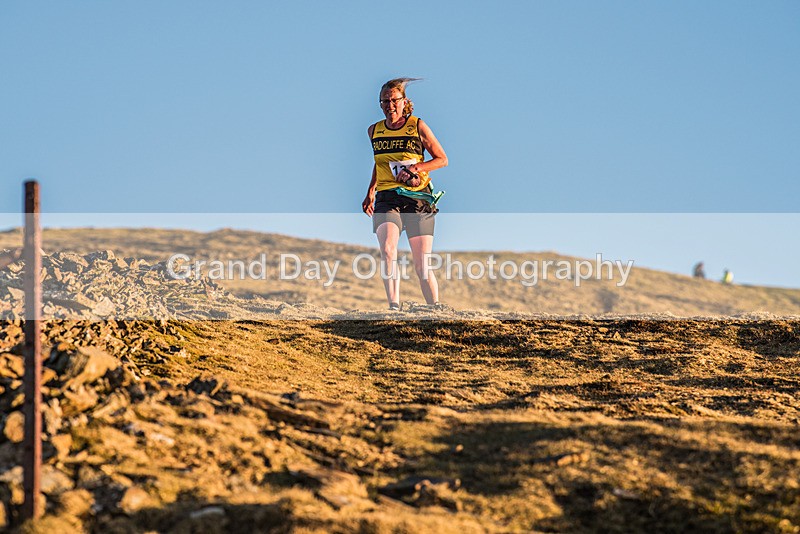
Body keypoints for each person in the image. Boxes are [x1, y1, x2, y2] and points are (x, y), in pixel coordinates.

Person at [362, 78, 448, 310]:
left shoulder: (417, 125)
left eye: (394, 100)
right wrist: (371, 191)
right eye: (385, 101)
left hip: (418, 198)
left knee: (421, 264)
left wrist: (415, 168)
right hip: (387, 197)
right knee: (388, 250)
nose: (390, 105)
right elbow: (380, 163)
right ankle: (394, 306)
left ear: (404, 102)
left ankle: (434, 308)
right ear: (380, 104)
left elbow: (442, 159)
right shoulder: (374, 131)